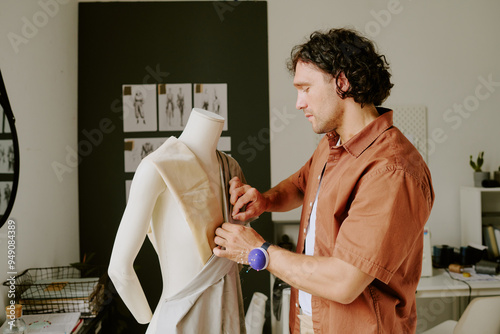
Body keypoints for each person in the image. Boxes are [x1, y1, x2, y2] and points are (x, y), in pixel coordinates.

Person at [214, 28, 434, 333]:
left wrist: (258, 252)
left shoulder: (393, 171)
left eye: (305, 88)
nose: (298, 103)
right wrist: (265, 201)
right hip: (311, 322)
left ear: (341, 82)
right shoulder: (333, 144)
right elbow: (302, 185)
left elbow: (344, 281)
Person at [109, 108, 248, 333]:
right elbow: (119, 268)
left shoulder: (231, 169)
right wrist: (150, 319)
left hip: (226, 315)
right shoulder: (156, 168)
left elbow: (242, 254)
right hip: (181, 319)